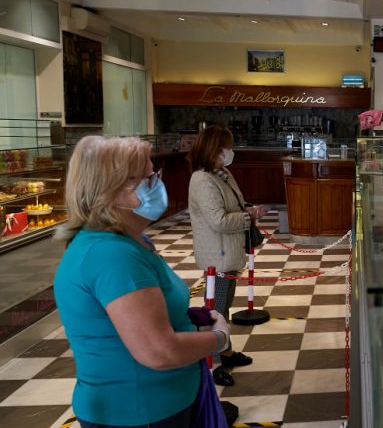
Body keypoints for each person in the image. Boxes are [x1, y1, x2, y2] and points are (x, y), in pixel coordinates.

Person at [53, 136, 231, 428]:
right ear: (114, 188)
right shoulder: (111, 254)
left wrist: (186, 322)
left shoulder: (130, 241)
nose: (156, 184)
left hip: (163, 403)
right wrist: (219, 338)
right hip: (140, 411)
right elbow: (160, 351)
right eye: (148, 178)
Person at [187, 125, 264, 386]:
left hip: (228, 251)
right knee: (216, 310)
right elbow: (218, 220)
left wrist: (247, 210)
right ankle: (215, 362)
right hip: (216, 256)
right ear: (214, 150)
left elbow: (232, 206)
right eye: (225, 148)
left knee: (224, 306)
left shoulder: (221, 174)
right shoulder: (202, 179)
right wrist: (247, 217)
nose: (229, 152)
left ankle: (226, 351)